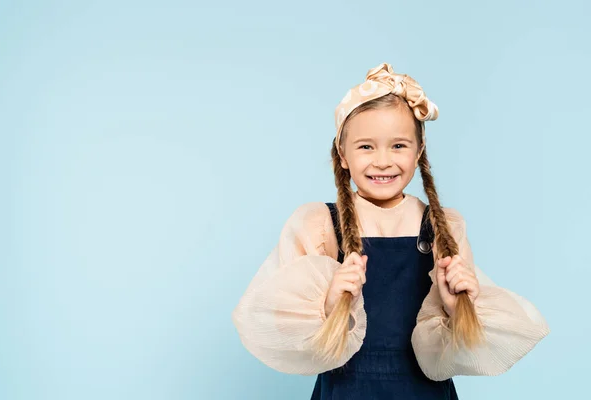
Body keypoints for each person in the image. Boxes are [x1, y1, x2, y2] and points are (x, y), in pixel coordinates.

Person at [231, 62, 550, 399]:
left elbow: (459, 350)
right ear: (342, 154)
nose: (383, 161)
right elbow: (276, 325)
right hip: (347, 390)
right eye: (366, 146)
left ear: (419, 152)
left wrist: (458, 308)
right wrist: (328, 301)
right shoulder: (319, 225)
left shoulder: (443, 227)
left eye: (398, 146)